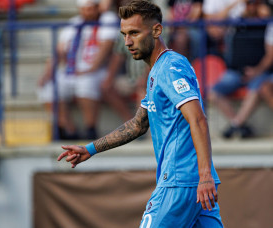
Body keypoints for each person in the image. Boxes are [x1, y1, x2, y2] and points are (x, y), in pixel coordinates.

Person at [58, 1, 223, 227]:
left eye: (134, 33)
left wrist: (204, 176)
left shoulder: (170, 67)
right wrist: (90, 149)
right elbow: (138, 124)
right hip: (192, 183)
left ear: (156, 30)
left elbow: (197, 119)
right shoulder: (157, 71)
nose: (127, 42)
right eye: (124, 34)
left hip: (179, 182)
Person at [38, 0, 119, 140]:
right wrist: (48, 72)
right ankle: (69, 129)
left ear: (97, 7)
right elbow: (60, 50)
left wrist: (90, 69)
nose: (87, 12)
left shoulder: (107, 19)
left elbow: (106, 47)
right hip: (72, 70)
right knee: (48, 87)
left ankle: (91, 128)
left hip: (97, 70)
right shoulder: (75, 22)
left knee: (85, 83)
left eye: (90, 9)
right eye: (84, 9)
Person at [207, 0, 273, 138]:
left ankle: (235, 125)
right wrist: (236, 4)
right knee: (213, 93)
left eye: (255, 3)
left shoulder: (267, 24)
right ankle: (239, 125)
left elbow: (270, 55)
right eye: (249, 3)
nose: (251, 6)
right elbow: (216, 25)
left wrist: (256, 71)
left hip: (259, 72)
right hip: (236, 72)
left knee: (257, 89)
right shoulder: (236, 21)